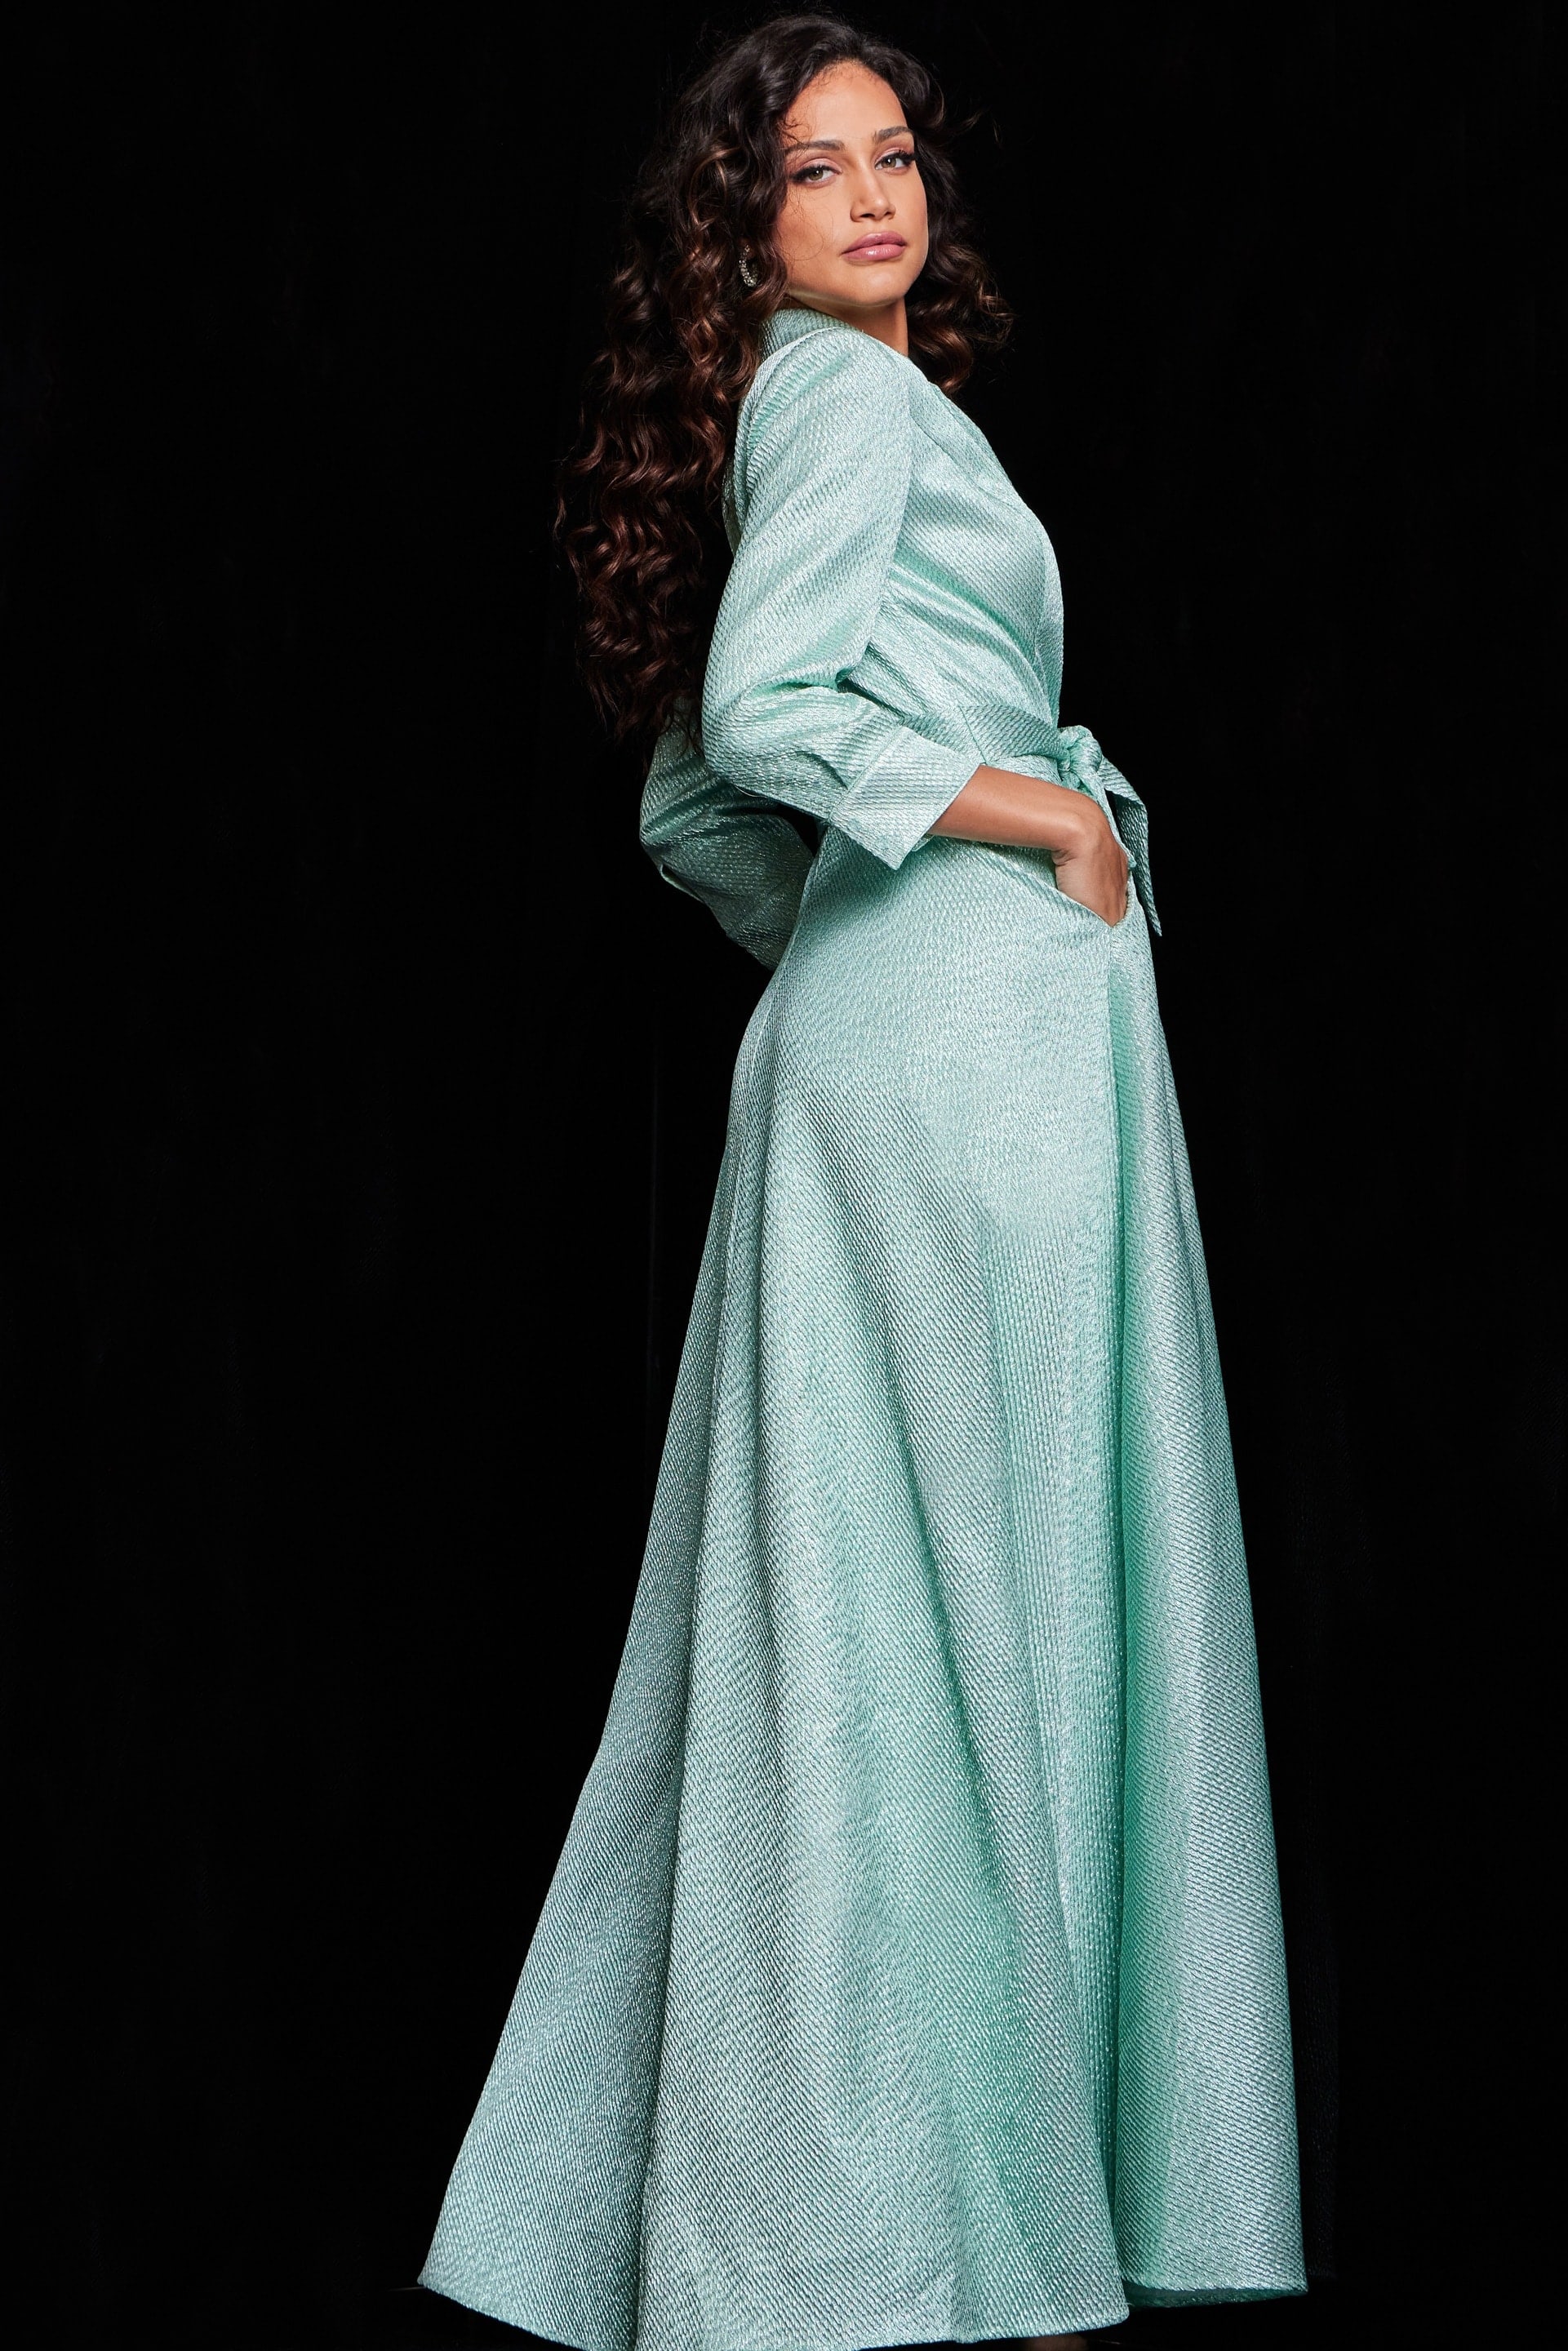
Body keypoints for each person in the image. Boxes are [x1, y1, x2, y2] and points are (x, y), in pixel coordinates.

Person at [420, 16, 1306, 2349]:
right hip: (961, 1064)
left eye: (889, 154)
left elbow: (683, 814)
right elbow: (758, 721)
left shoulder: (842, 413)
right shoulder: (840, 408)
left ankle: (908, 2231)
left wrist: (846, 935)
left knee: (880, 1625)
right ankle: (957, 2244)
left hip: (916, 1047)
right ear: (748, 235)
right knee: (999, 1606)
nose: (871, 197)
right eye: (809, 173)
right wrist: (1029, 826)